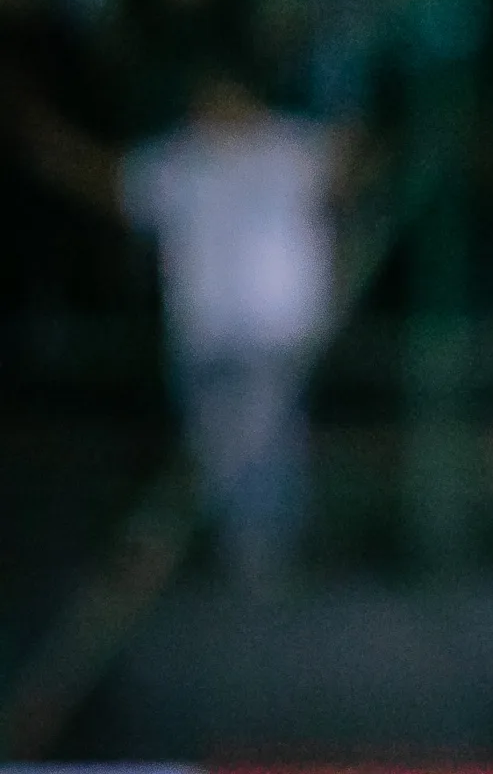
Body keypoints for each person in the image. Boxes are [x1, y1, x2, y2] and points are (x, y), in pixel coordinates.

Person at [119, 68, 337, 591]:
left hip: (272, 332)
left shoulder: (290, 148)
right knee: (218, 441)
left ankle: (265, 556)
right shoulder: (179, 157)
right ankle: (244, 553)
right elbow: (121, 188)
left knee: (268, 441)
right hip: (206, 331)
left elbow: (350, 164)